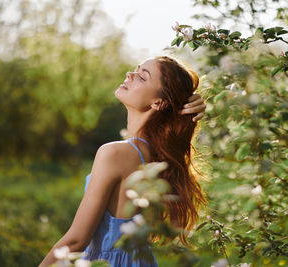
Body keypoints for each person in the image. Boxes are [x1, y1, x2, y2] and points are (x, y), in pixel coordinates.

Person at [39, 56, 207, 267]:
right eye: (136, 70)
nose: (130, 74)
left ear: (159, 102)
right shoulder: (160, 156)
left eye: (142, 77)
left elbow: (76, 240)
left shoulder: (115, 153)